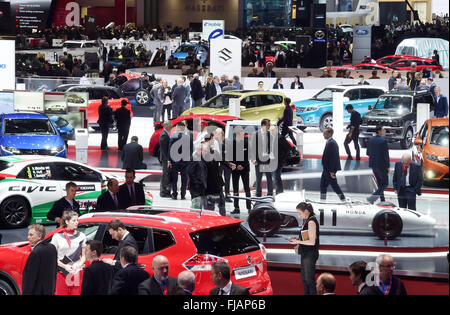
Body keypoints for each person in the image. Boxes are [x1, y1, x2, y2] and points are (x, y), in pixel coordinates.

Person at [51, 211, 87, 295]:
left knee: (75, 293)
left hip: (76, 271)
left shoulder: (82, 236)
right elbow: (53, 257)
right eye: (74, 220)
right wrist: (65, 266)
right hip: (61, 271)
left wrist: (79, 264)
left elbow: (83, 255)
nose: (77, 222)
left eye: (77, 220)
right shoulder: (57, 236)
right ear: (67, 222)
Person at [289, 202, 319, 295]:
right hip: (305, 253)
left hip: (310, 254)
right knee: (305, 279)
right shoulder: (306, 220)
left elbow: (312, 242)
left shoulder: (311, 222)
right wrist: (297, 239)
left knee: (309, 280)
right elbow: (306, 237)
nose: (299, 215)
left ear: (306, 211)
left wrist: (297, 242)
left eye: (300, 213)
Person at [22, 224, 57, 295]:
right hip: (50, 290)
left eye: (31, 235)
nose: (28, 237)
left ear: (39, 237)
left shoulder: (36, 252)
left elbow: (30, 277)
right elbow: (54, 271)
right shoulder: (52, 247)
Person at [228, 128, 251, 214]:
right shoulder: (231, 144)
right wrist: (236, 166)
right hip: (235, 169)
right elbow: (230, 157)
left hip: (244, 168)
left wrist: (243, 165)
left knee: (246, 188)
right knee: (235, 189)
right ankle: (236, 207)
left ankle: (249, 207)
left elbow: (249, 155)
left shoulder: (246, 143)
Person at [366, 126, 390, 204]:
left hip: (373, 164)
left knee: (380, 183)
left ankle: (382, 199)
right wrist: (388, 166)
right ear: (379, 131)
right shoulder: (383, 141)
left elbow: (368, 153)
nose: (385, 131)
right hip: (382, 165)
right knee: (385, 184)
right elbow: (386, 155)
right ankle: (373, 197)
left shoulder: (370, 139)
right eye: (383, 130)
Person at [321, 128, 346, 201]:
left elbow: (333, 158)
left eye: (324, 133)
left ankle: (343, 198)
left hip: (329, 169)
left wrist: (332, 171)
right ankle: (322, 200)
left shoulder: (331, 143)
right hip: (326, 169)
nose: (323, 134)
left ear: (329, 133)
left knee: (334, 185)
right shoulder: (330, 142)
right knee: (323, 185)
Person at [168, 123, 191, 200]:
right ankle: (183, 195)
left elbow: (170, 150)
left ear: (178, 128)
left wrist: (169, 160)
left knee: (174, 179)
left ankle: (174, 194)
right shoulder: (188, 137)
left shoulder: (174, 137)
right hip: (185, 162)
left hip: (175, 161)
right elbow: (191, 150)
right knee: (184, 179)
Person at [252, 119, 274, 197]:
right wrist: (253, 159)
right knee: (258, 178)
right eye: (268, 125)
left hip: (267, 159)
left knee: (269, 177)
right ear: (263, 125)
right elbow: (253, 148)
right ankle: (258, 194)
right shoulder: (256, 134)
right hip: (258, 160)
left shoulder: (269, 135)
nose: (269, 126)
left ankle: (270, 194)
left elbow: (271, 147)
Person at [270, 126, 291, 195]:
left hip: (278, 162)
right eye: (270, 130)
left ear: (276, 130)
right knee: (274, 178)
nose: (271, 132)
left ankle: (279, 193)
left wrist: (282, 158)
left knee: (276, 178)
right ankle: (277, 192)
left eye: (272, 130)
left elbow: (288, 148)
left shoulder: (280, 138)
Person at [188, 143, 209, 209]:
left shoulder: (202, 159)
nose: (206, 153)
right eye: (204, 151)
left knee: (200, 206)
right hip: (196, 187)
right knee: (196, 206)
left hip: (201, 186)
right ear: (199, 150)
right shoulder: (194, 158)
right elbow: (190, 172)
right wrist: (197, 182)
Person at [159, 121, 172, 198]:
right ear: (166, 126)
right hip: (165, 159)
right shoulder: (164, 135)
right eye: (170, 125)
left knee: (166, 175)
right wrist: (168, 160)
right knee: (165, 175)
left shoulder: (166, 134)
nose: (171, 126)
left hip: (165, 159)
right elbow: (164, 150)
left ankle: (165, 191)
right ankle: (164, 192)